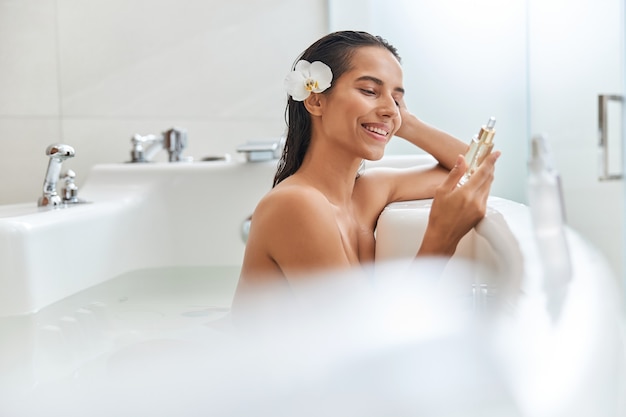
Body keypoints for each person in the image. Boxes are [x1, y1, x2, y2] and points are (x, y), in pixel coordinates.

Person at [233, 31, 499, 306]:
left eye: (396, 99)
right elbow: (358, 340)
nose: (390, 109)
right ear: (315, 100)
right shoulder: (294, 204)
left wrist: (403, 121)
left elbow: (471, 170)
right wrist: (441, 238)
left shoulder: (366, 193)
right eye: (369, 91)